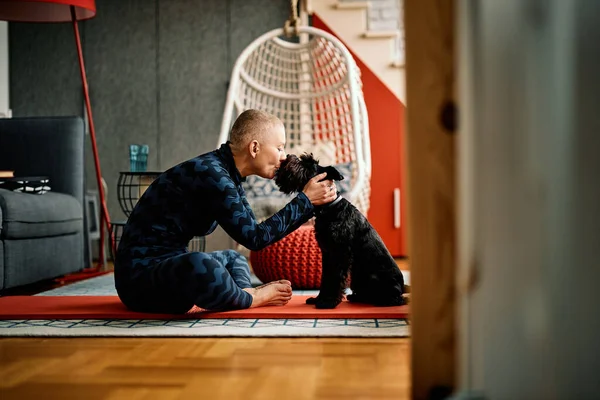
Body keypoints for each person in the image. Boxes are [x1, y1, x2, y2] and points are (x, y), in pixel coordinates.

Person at [114, 109, 337, 314]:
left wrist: (309, 204)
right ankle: (251, 297)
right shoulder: (213, 175)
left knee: (232, 258)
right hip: (139, 281)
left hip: (168, 266)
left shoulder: (227, 175)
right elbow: (255, 238)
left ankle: (239, 296)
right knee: (200, 264)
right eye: (279, 148)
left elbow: (254, 232)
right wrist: (306, 201)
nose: (284, 156)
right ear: (254, 148)